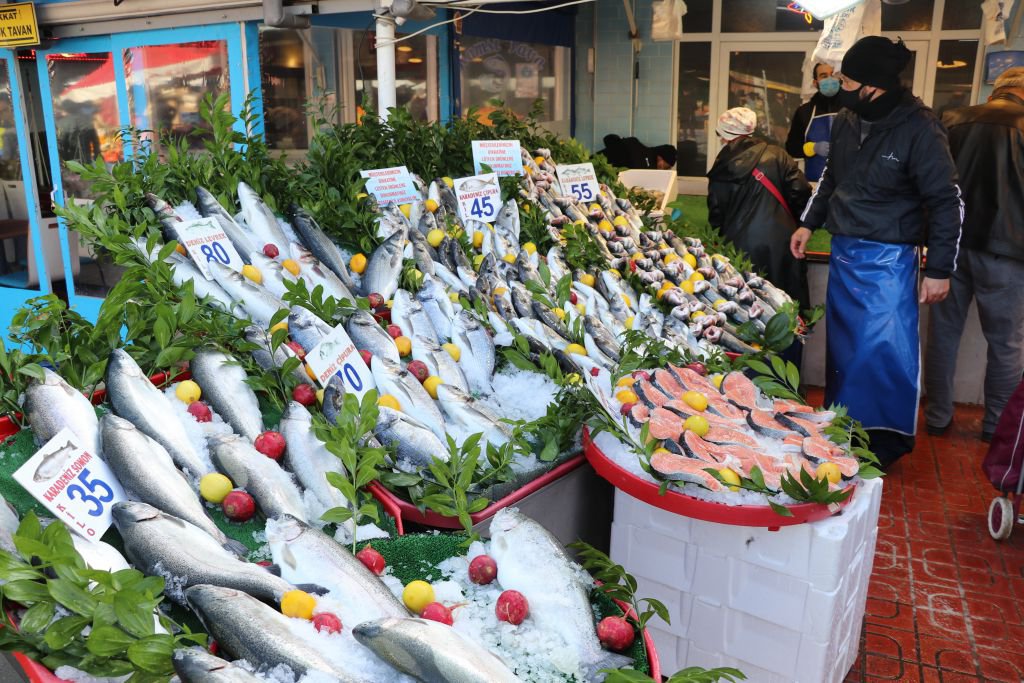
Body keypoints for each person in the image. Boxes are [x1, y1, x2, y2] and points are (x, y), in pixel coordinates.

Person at [791, 36, 963, 469]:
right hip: (845, 253)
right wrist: (808, 223)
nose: (837, 86)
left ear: (873, 86)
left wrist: (939, 268)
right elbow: (830, 178)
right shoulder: (848, 119)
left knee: (883, 352)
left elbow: (947, 200)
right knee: (845, 353)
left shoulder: (920, 129)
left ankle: (883, 440)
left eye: (845, 79)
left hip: (890, 261)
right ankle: (844, 427)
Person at [924, 67, 1024, 442]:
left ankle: (936, 417)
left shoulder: (953, 119)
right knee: (1006, 343)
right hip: (1009, 252)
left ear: (996, 89)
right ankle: (996, 426)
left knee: (942, 336)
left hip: (951, 245)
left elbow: (932, 181)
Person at [707, 107, 810, 309]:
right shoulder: (778, 155)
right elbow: (801, 192)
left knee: (745, 307)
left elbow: (716, 213)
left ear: (727, 136)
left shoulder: (721, 165)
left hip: (737, 246)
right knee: (785, 307)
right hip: (781, 243)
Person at [785, 62, 843, 182]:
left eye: (833, 74)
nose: (830, 79)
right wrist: (812, 148)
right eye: (824, 76)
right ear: (815, 83)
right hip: (814, 185)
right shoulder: (804, 112)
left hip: (848, 185)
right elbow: (791, 148)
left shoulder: (853, 108)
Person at [600, 135, 677, 170]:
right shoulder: (635, 145)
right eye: (665, 166)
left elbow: (608, 139)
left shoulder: (634, 143)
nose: (662, 169)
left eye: (666, 168)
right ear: (660, 157)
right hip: (600, 169)